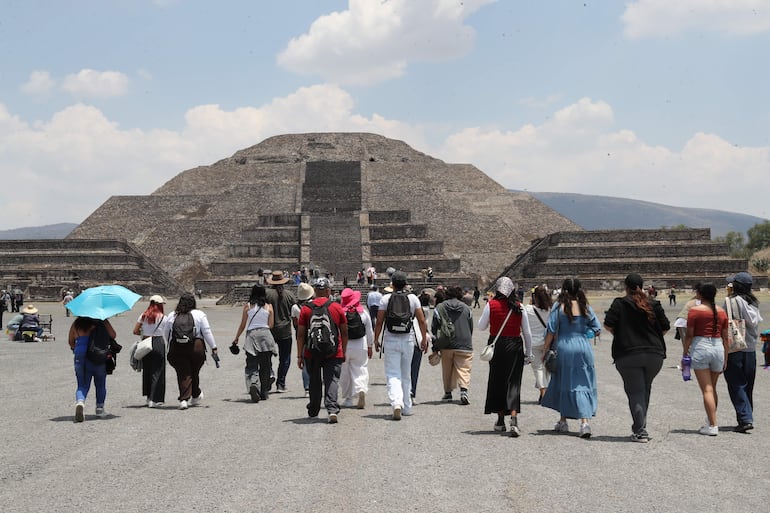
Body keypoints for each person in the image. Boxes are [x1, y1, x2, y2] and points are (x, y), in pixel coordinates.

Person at [603, 274, 670, 442]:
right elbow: (665, 327)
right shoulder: (653, 304)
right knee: (644, 389)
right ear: (642, 286)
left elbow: (608, 325)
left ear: (626, 287)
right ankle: (640, 426)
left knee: (636, 391)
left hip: (628, 354)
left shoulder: (620, 304)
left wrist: (622, 334)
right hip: (654, 354)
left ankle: (640, 430)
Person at [541, 277, 601, 438]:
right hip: (583, 347)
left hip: (565, 346)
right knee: (583, 382)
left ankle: (563, 420)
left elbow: (551, 330)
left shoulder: (558, 307)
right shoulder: (585, 307)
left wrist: (544, 350)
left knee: (563, 381)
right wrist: (583, 333)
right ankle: (585, 423)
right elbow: (597, 328)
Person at [478, 277, 534, 437]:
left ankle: (501, 419)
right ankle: (514, 419)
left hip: (497, 345)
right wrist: (529, 353)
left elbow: (481, 326)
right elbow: (527, 332)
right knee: (514, 382)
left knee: (498, 381)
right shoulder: (519, 307)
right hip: (515, 345)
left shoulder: (491, 305)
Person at [374, 271, 428, 420]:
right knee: (406, 374)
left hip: (391, 340)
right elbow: (422, 321)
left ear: (392, 284)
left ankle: (396, 403)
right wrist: (424, 338)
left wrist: (376, 339)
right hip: (408, 340)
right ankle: (407, 406)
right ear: (405, 284)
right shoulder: (413, 299)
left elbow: (379, 322)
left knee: (393, 373)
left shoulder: (385, 299)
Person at [296, 277, 348, 423]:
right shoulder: (336, 307)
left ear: (315, 291)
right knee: (331, 379)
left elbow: (300, 334)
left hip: (311, 351)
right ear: (328, 290)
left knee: (314, 381)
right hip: (333, 350)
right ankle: (331, 409)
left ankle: (313, 409)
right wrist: (343, 350)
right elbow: (344, 332)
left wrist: (299, 355)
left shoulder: (306, 308)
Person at [683, 283, 728, 436]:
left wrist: (685, 353)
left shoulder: (694, 311)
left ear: (700, 295)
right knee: (713, 388)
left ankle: (713, 425)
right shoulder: (721, 311)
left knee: (707, 389)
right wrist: (726, 357)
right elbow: (725, 337)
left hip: (701, 346)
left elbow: (689, 335)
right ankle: (711, 420)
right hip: (718, 347)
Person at [163, 293, 219, 410]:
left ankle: (186, 398)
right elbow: (206, 331)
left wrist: (169, 345)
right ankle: (192, 395)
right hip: (196, 346)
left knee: (183, 372)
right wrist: (213, 346)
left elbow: (166, 332)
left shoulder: (172, 315)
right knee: (194, 371)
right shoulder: (199, 314)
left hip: (177, 346)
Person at [724, 272, 762, 433]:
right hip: (750, 349)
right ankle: (747, 416)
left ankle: (745, 418)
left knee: (736, 384)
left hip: (735, 347)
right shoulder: (753, 302)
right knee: (748, 385)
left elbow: (724, 323)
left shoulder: (732, 301)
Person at [233, 284, 276, 403]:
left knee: (251, 363)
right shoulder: (269, 307)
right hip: (265, 335)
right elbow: (271, 325)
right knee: (266, 365)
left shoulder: (248, 306)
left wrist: (236, 337)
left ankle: (253, 384)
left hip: (251, 336)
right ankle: (264, 392)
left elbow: (243, 324)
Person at [432, 286, 474, 405]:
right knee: (464, 368)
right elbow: (470, 326)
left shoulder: (440, 307)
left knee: (447, 369)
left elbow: (434, 327)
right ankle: (464, 390)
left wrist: (435, 344)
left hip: (446, 343)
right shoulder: (467, 308)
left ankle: (448, 392)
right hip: (464, 342)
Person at [68, 316, 116, 421]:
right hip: (98, 354)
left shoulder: (77, 324)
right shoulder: (101, 321)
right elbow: (113, 335)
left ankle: (80, 402)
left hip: (80, 356)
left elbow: (71, 341)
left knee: (82, 384)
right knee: (100, 383)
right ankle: (100, 408)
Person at [339, 288, 374, 409]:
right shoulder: (363, 313)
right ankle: (361, 389)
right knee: (361, 368)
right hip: (360, 345)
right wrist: (370, 346)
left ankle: (348, 399)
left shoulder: (340, 313)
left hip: (344, 346)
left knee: (345, 372)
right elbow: (369, 331)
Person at [132, 295, 167, 407]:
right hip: (158, 342)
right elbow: (166, 332)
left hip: (145, 342)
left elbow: (135, 331)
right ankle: (154, 398)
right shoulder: (163, 317)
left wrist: (144, 332)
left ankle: (148, 397)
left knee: (147, 370)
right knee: (158, 371)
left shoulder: (143, 316)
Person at [265, 270, 296, 393]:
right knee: (285, 358)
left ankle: (269, 375)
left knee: (266, 356)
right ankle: (281, 383)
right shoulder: (289, 295)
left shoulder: (266, 294)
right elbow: (294, 311)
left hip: (269, 330)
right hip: (285, 330)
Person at [524, 285, 552, 404]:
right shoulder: (550, 309)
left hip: (533, 343)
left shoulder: (528, 309)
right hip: (547, 342)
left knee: (538, 369)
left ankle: (543, 392)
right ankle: (545, 391)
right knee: (546, 369)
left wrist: (531, 303)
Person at [291, 282, 315, 397]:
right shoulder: (314, 304)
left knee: (305, 363)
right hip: (315, 336)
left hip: (302, 336)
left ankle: (307, 388)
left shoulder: (295, 308)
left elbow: (295, 324)